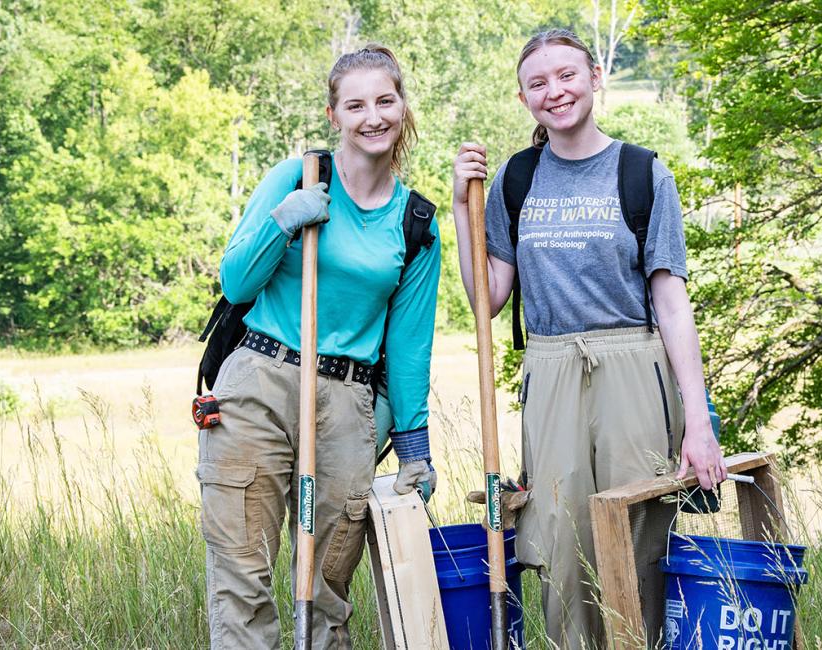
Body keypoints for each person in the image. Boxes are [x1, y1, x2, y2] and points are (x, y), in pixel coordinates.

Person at [451, 29, 726, 649]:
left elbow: (672, 304)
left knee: (636, 533)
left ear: (596, 77)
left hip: (633, 362)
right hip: (550, 369)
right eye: (538, 83)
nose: (556, 92)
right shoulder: (515, 181)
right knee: (559, 535)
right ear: (523, 98)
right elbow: (486, 301)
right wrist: (457, 210)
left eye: (567, 76)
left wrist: (699, 422)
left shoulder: (642, 172)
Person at [199, 44, 440, 649]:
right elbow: (236, 281)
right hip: (261, 379)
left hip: (347, 404)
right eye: (355, 105)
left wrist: (413, 446)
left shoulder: (416, 223)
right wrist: (283, 221)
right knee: (242, 572)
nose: (373, 116)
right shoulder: (298, 177)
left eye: (385, 100)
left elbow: (409, 347)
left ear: (403, 107)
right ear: (335, 115)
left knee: (328, 584)